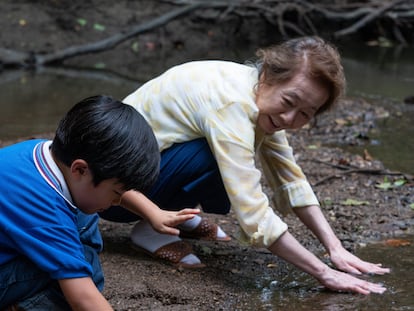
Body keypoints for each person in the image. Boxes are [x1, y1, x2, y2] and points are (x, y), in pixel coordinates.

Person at [100, 36, 390, 294]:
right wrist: (324, 273)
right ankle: (152, 228)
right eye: (289, 101)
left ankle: (176, 211)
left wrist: (335, 247)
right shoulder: (233, 106)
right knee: (214, 156)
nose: (290, 118)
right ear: (267, 76)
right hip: (112, 194)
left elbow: (290, 179)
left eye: (305, 113)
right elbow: (253, 211)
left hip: (140, 173)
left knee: (224, 150)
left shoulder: (257, 96)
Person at [0, 95, 199, 310]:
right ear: (80, 169)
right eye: (116, 193)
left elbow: (109, 183)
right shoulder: (46, 211)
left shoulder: (44, 153)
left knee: (84, 217)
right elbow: (83, 296)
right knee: (85, 266)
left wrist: (153, 212)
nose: (117, 201)